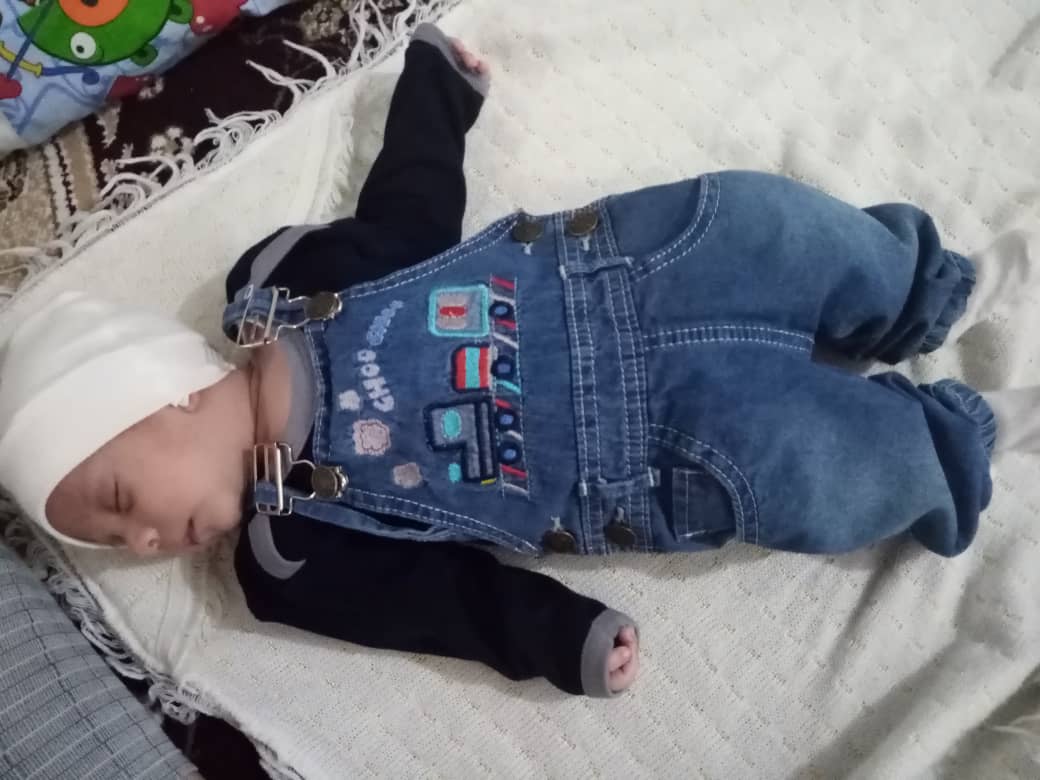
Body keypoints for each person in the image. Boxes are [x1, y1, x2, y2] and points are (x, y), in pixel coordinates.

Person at [2, 23, 1037, 699]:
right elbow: (441, 603)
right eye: (120, 541)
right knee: (818, 474)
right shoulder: (289, 561)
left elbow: (408, 216)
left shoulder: (280, 286)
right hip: (655, 452)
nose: (146, 541)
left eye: (120, 499)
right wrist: (557, 639)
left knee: (770, 222)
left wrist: (435, 96)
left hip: (639, 270)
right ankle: (949, 444)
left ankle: (912, 289)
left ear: (159, 393)